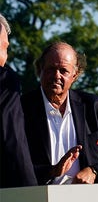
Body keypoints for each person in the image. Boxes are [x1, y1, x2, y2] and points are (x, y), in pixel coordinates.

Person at [21, 42, 98, 184]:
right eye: (51, 69)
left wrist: (94, 172)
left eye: (63, 70)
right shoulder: (20, 109)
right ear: (40, 70)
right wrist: (51, 171)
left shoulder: (94, 108)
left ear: (75, 75)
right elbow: (10, 166)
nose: (56, 75)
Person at [0, 13, 38, 188]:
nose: (6, 57)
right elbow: (12, 138)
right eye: (5, 47)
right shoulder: (5, 80)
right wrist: (29, 189)